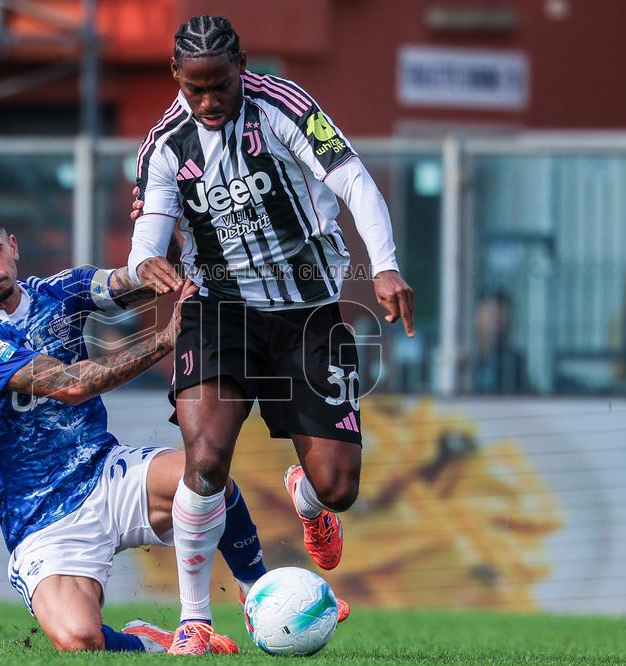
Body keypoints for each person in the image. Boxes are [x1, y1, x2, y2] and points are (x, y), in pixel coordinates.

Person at [127, 15, 413, 653]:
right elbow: (148, 236)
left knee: (338, 486)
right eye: (195, 88)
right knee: (205, 461)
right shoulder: (165, 145)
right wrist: (146, 263)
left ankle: (306, 502)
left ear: (242, 66)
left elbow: (354, 180)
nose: (209, 101)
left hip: (307, 312)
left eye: (220, 85)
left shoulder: (285, 108)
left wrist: (385, 265)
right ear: (175, 76)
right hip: (218, 311)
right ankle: (195, 620)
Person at [0, 205, 270, 653]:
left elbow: (148, 278)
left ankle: (261, 595)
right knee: (79, 639)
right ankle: (152, 644)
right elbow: (71, 386)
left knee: (205, 474)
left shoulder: (62, 290)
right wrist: (165, 340)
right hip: (42, 519)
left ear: (13, 247)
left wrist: (167, 220)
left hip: (108, 473)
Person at [469, 290, 530, 394]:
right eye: (491, 315)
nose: (497, 324)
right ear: (477, 318)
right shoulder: (466, 359)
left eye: (503, 318)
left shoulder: (514, 363)